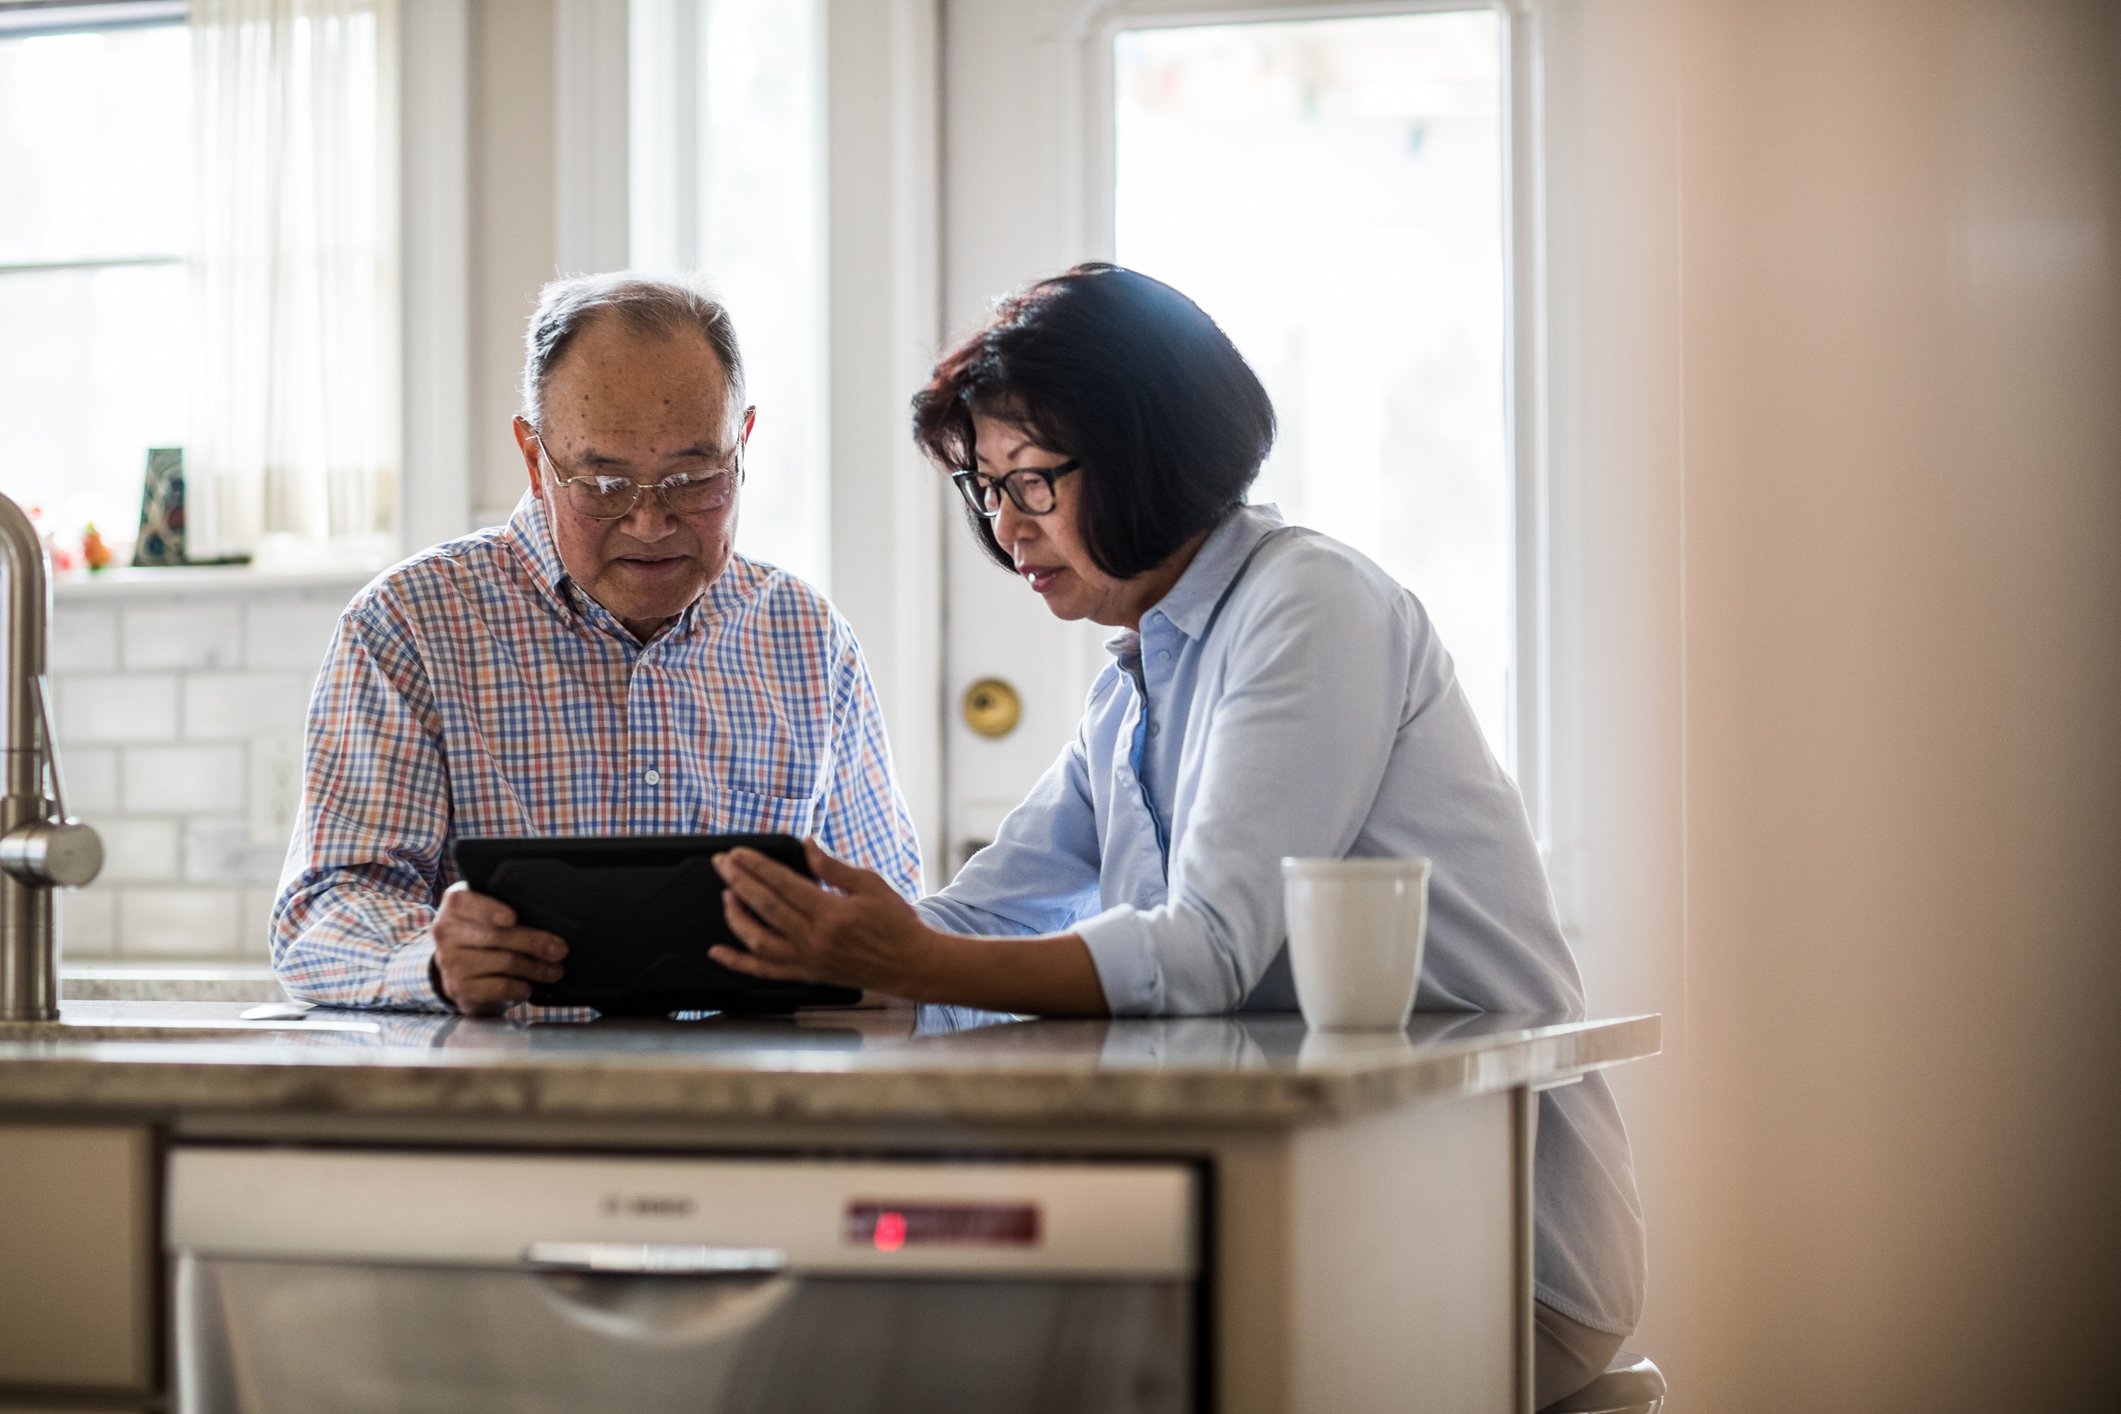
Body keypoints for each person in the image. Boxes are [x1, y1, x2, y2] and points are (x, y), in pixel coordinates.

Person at [709, 263, 1644, 1405]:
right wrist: (766, 949)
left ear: (1146, 456)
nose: (1006, 528)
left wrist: (903, 957)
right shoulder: (1137, 682)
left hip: (1495, 1240)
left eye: (1032, 482)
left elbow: (1204, 949)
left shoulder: (1307, 605)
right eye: (984, 489)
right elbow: (973, 919)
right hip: (1336, 1200)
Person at [272, 274, 923, 1014]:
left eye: (693, 478)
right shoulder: (409, 626)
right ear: (533, 456)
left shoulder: (805, 639)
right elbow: (321, 915)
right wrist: (431, 958)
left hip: (755, 1106)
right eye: (604, 486)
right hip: (507, 1109)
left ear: (741, 444)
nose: (650, 523)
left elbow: (889, 920)